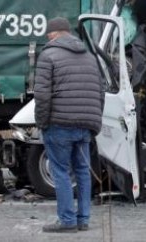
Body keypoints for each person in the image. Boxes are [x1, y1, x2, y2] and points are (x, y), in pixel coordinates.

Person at [34, 17, 104, 233]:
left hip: (60, 123)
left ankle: (67, 221)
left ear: (53, 34)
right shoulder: (90, 57)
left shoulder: (48, 55)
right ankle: (83, 219)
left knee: (61, 171)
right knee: (82, 170)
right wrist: (94, 122)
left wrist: (42, 122)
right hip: (85, 124)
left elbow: (42, 95)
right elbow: (100, 92)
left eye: (48, 36)